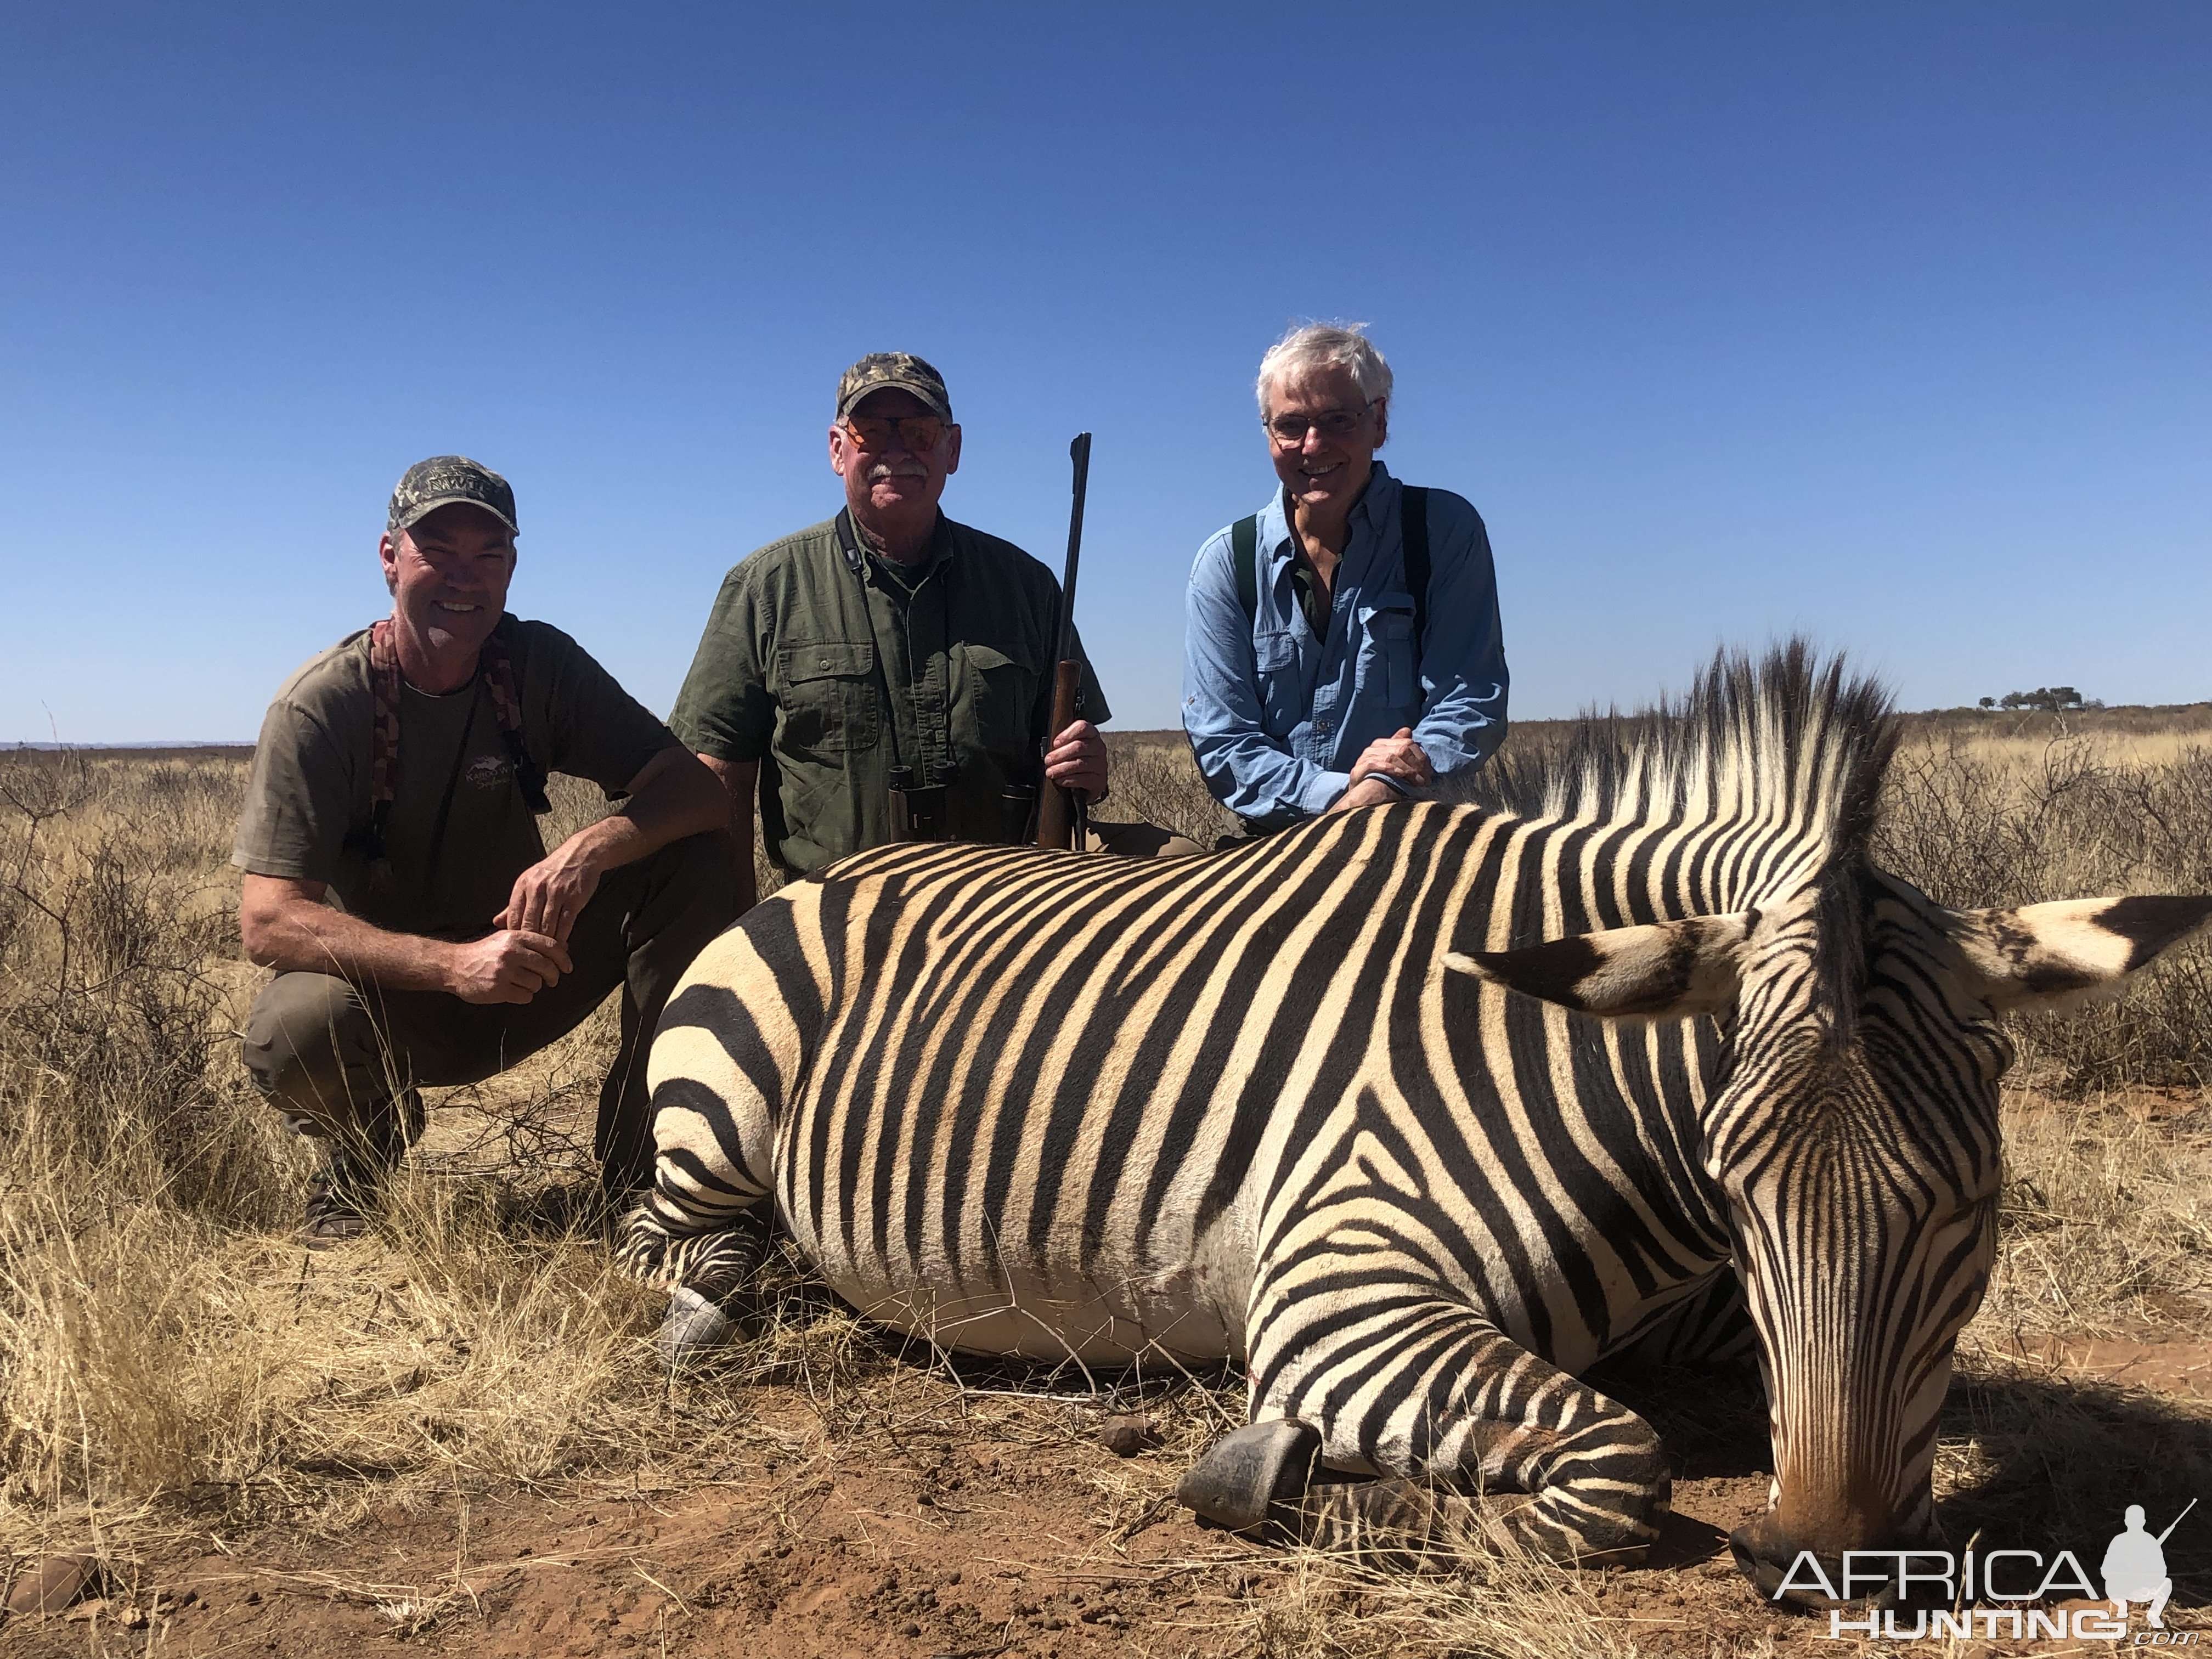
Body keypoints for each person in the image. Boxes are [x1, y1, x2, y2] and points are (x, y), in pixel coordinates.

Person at [234, 456, 736, 1245]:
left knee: (701, 861)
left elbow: (701, 791)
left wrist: (588, 850)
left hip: (533, 964)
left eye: (488, 554)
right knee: (292, 1028)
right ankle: (363, 1153)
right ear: (390, 557)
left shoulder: (537, 663)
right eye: (439, 550)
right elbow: (267, 923)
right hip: (402, 999)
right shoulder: (323, 707)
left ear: (511, 567)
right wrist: (454, 967)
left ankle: (645, 1167)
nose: (463, 578)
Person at [672, 352, 1196, 909]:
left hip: (1003, 895)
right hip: (835, 914)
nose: (896, 453)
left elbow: (1078, 749)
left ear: (953, 450)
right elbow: (717, 774)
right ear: (836, 448)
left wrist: (1090, 767)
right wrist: (736, 930)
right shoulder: (765, 586)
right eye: (871, 432)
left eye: (920, 433)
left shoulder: (1027, 585)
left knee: (1181, 863)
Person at [1182, 324, 1507, 834]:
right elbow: (1223, 741)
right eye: (1290, 426)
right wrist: (1347, 794)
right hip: (1272, 851)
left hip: (1419, 833)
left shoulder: (1443, 530)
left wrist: (1397, 779)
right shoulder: (1225, 562)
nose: (1312, 446)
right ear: (1268, 433)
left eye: (1337, 420)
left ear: (1378, 422)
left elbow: (1470, 697)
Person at [2102, 1504, 2175, 1630]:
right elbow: (2106, 1570)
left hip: (2143, 1589)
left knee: (2167, 1582)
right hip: (2121, 1588)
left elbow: (2162, 1571)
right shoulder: (2119, 1541)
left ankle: (2154, 1615)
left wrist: (2147, 1570)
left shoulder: (2150, 1541)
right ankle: (2122, 1605)